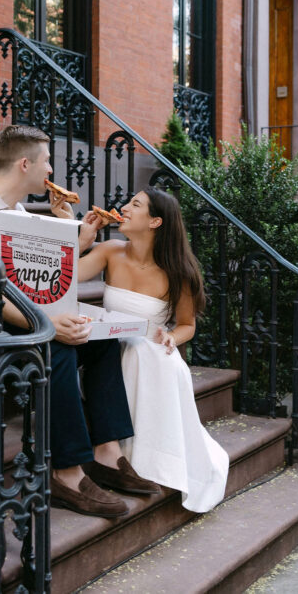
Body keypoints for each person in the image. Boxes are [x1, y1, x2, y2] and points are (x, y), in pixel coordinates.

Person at [0, 125, 160, 519]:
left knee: (97, 338)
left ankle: (106, 455)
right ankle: (67, 472)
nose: (51, 171)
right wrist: (47, 324)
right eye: (46, 162)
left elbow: (40, 278)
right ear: (25, 164)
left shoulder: (19, 212)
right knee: (57, 346)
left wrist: (76, 233)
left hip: (14, 314)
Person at [77, 187, 229, 512]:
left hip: (148, 349)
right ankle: (116, 454)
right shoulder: (110, 251)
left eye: (135, 204)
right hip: (104, 346)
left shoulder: (178, 272)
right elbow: (66, 277)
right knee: (132, 352)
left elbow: (188, 324)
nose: (124, 208)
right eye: (128, 203)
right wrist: (80, 241)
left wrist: (174, 336)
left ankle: (148, 459)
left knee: (156, 358)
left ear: (155, 221)